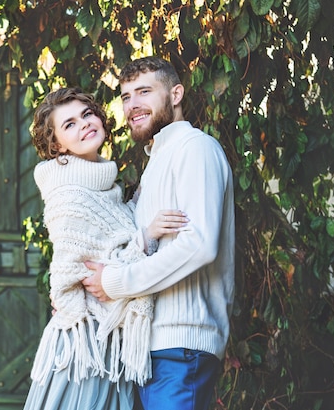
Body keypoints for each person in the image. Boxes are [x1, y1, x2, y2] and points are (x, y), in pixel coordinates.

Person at [82, 56, 235, 410]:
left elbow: (199, 245)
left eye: (144, 92)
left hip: (183, 346)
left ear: (176, 93)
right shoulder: (155, 164)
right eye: (125, 96)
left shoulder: (196, 148)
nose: (132, 104)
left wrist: (116, 282)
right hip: (147, 349)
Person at [23, 87, 188, 410]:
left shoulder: (105, 187)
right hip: (85, 349)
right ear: (57, 144)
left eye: (87, 114)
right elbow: (85, 277)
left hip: (108, 343)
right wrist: (146, 235)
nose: (83, 124)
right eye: (69, 124)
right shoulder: (68, 196)